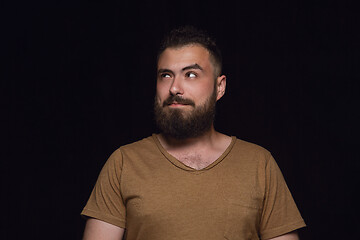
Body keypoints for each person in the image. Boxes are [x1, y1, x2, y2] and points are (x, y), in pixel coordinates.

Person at [81, 26, 306, 240]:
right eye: (166, 75)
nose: (174, 88)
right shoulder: (123, 163)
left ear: (220, 87)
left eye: (190, 75)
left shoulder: (260, 164)